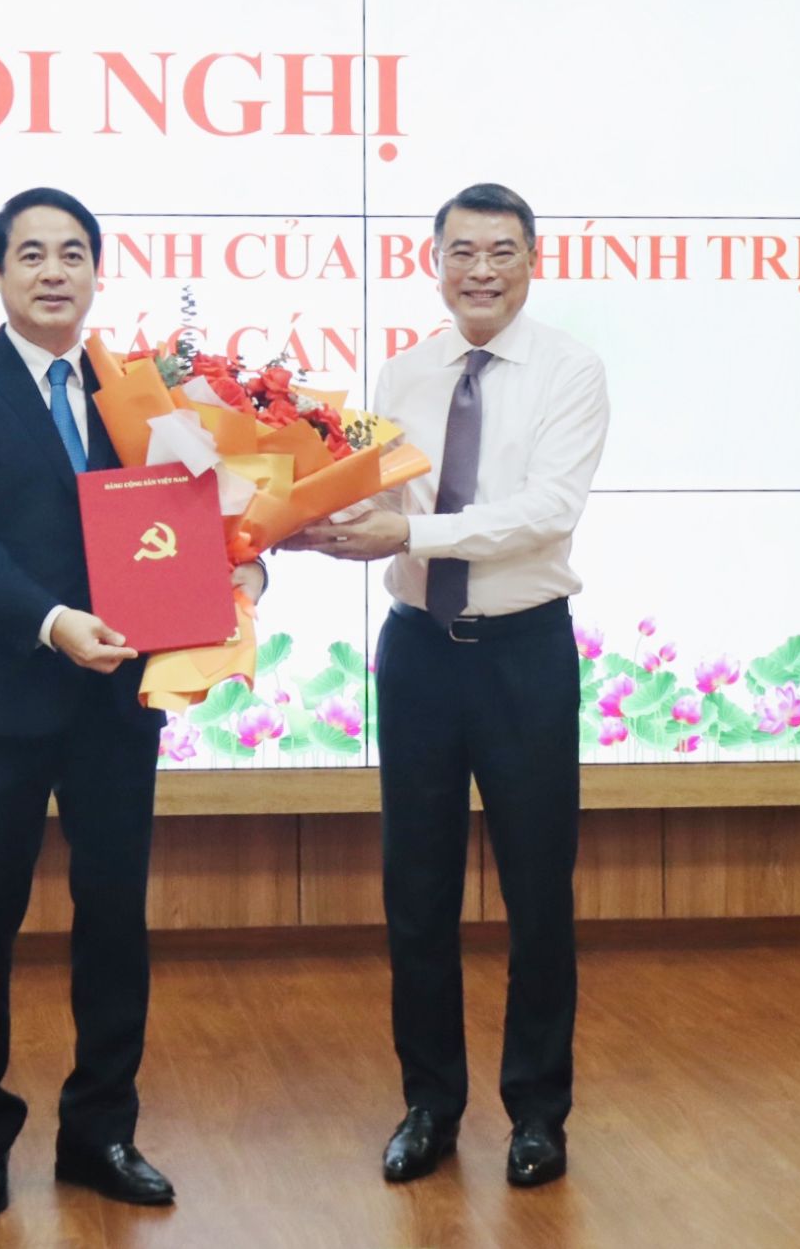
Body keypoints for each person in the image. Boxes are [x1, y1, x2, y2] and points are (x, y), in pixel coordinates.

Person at [0, 186, 264, 1217]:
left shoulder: (136, 393)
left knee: (114, 920)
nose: (53, 270)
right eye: (31, 254)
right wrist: (52, 618)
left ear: (97, 271)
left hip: (117, 703)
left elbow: (201, 515)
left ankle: (101, 1132)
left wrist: (243, 569)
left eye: (72, 252)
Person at [283, 182, 608, 1188]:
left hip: (523, 655)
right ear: (435, 263)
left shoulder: (570, 370)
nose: (481, 270)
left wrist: (410, 532)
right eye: (462, 251)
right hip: (420, 652)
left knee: (537, 891)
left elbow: (546, 511)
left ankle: (538, 1112)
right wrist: (300, 523)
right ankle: (430, 1104)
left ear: (532, 261)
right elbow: (380, 496)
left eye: (501, 251)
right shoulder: (406, 371)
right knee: (416, 892)